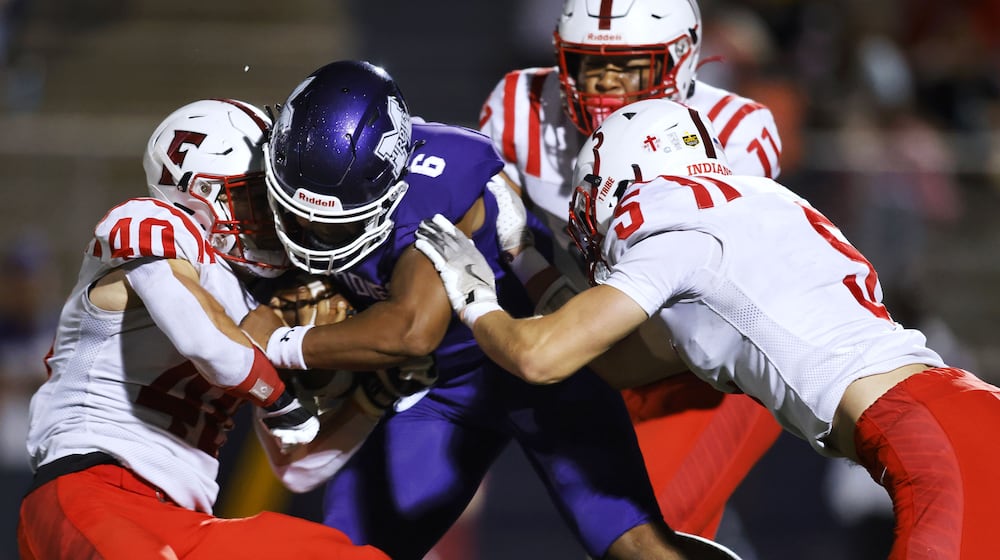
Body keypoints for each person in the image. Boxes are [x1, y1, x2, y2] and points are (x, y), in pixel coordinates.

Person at [415, 98, 1000, 560]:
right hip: (959, 416)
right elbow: (614, 362)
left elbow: (539, 358)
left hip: (932, 441)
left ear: (616, 183)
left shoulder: (676, 232)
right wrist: (525, 257)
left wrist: (475, 297)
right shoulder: (760, 205)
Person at [240, 60, 740, 560]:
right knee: (348, 550)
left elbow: (412, 331)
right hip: (445, 390)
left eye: (334, 224)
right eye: (297, 214)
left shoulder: (439, 181)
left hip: (542, 374)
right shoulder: (298, 178)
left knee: (634, 548)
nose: (314, 234)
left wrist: (284, 343)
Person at [18, 98, 389, 560]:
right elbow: (204, 339)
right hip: (93, 489)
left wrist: (371, 400)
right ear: (194, 193)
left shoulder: (253, 297)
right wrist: (283, 394)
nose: (274, 218)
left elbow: (297, 467)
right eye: (255, 197)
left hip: (186, 520)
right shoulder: (151, 222)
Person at [478, 0, 782, 536]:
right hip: (601, 343)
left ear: (680, 60)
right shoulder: (519, 106)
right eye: (592, 65)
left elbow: (691, 297)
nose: (607, 85)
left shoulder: (737, 132)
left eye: (630, 65)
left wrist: (545, 288)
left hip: (711, 363)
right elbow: (491, 218)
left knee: (657, 528)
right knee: (637, 526)